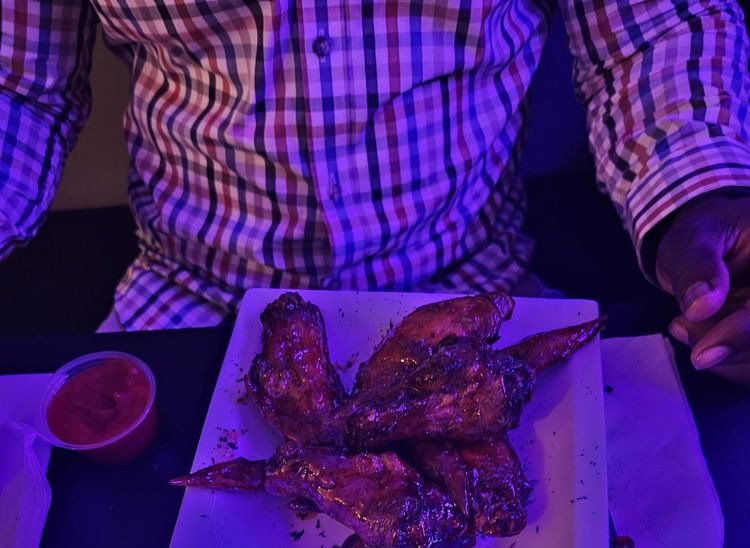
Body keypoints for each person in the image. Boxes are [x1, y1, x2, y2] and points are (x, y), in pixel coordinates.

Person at [1, 1, 749, 383]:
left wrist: (696, 197)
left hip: (475, 286)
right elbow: (16, 83)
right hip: (191, 299)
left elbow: (650, 31)